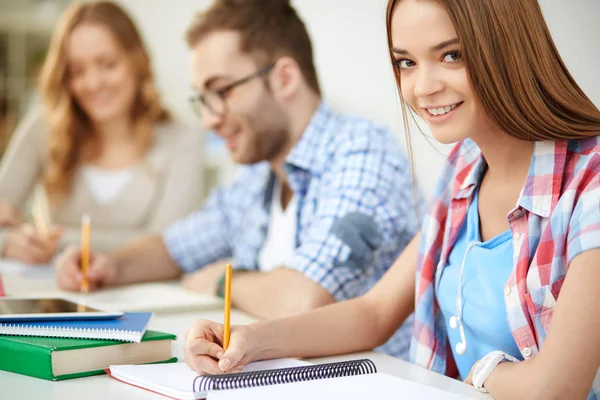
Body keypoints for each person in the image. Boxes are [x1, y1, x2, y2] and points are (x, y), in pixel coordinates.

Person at [182, 0, 600, 398]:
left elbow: (556, 388)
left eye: (452, 55)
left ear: (508, 46)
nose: (423, 87)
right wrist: (246, 341)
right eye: (407, 62)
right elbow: (374, 313)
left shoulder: (590, 181)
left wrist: (485, 374)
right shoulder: (465, 167)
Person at [55, 0, 419, 359]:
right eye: (203, 99)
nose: (209, 120)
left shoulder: (363, 153)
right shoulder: (259, 173)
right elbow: (176, 248)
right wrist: (110, 266)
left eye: (222, 91)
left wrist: (224, 282)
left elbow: (304, 299)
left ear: (285, 78)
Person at [0, 1, 204, 264]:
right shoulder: (42, 129)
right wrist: (10, 242)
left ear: (136, 61)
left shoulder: (181, 140)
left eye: (108, 64)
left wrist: (55, 240)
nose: (93, 83)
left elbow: (170, 247)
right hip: (53, 298)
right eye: (77, 70)